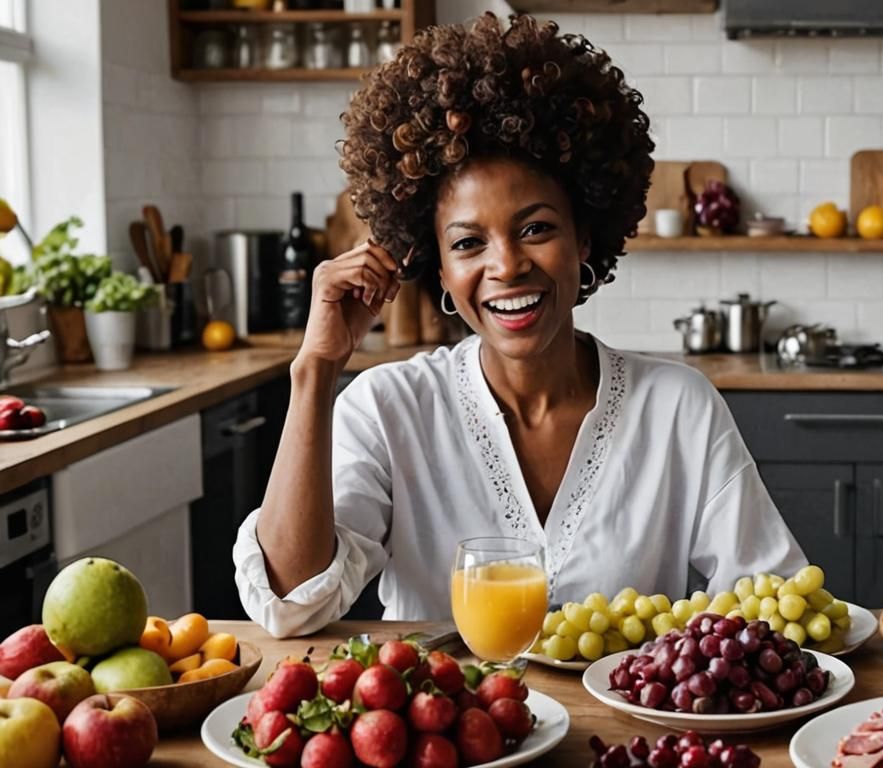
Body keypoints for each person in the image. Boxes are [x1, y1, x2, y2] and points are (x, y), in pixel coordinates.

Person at [233, 12, 805, 638]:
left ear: (585, 238)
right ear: (439, 267)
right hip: (437, 732)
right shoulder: (387, 408)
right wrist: (315, 372)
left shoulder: (677, 407)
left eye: (536, 229)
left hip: (622, 737)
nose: (506, 266)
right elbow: (291, 603)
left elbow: (773, 607)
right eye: (469, 242)